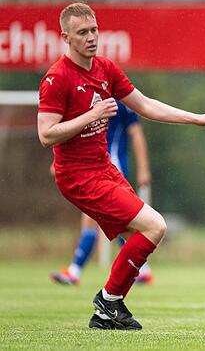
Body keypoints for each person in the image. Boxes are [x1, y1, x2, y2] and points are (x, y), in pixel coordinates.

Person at [38, 2, 205, 330]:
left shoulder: (105, 69)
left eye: (94, 29)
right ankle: (108, 300)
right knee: (156, 225)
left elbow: (146, 105)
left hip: (104, 168)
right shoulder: (57, 79)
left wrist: (194, 118)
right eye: (82, 32)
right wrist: (91, 116)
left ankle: (107, 309)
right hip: (78, 176)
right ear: (65, 37)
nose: (91, 37)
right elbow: (46, 135)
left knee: (144, 232)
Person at [49, 98, 154, 286]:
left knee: (95, 218)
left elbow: (136, 133)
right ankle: (142, 269)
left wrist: (143, 168)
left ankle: (75, 271)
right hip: (92, 166)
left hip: (112, 166)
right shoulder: (89, 98)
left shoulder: (120, 101)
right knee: (109, 221)